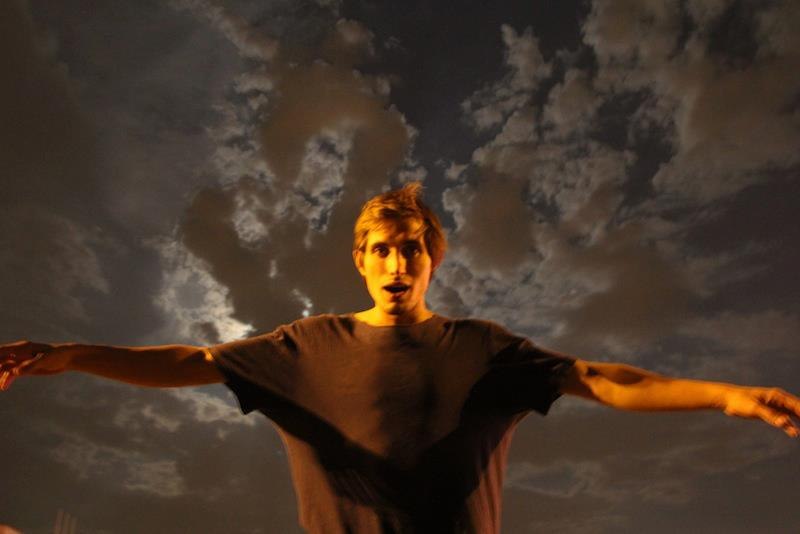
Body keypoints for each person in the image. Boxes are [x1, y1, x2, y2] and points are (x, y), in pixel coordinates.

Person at [1, 182, 798, 534]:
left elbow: (600, 378)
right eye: (380, 250)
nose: (396, 264)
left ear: (432, 258)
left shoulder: (484, 350)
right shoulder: (305, 348)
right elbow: (189, 362)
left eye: (411, 249)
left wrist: (724, 395)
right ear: (360, 258)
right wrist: (70, 354)